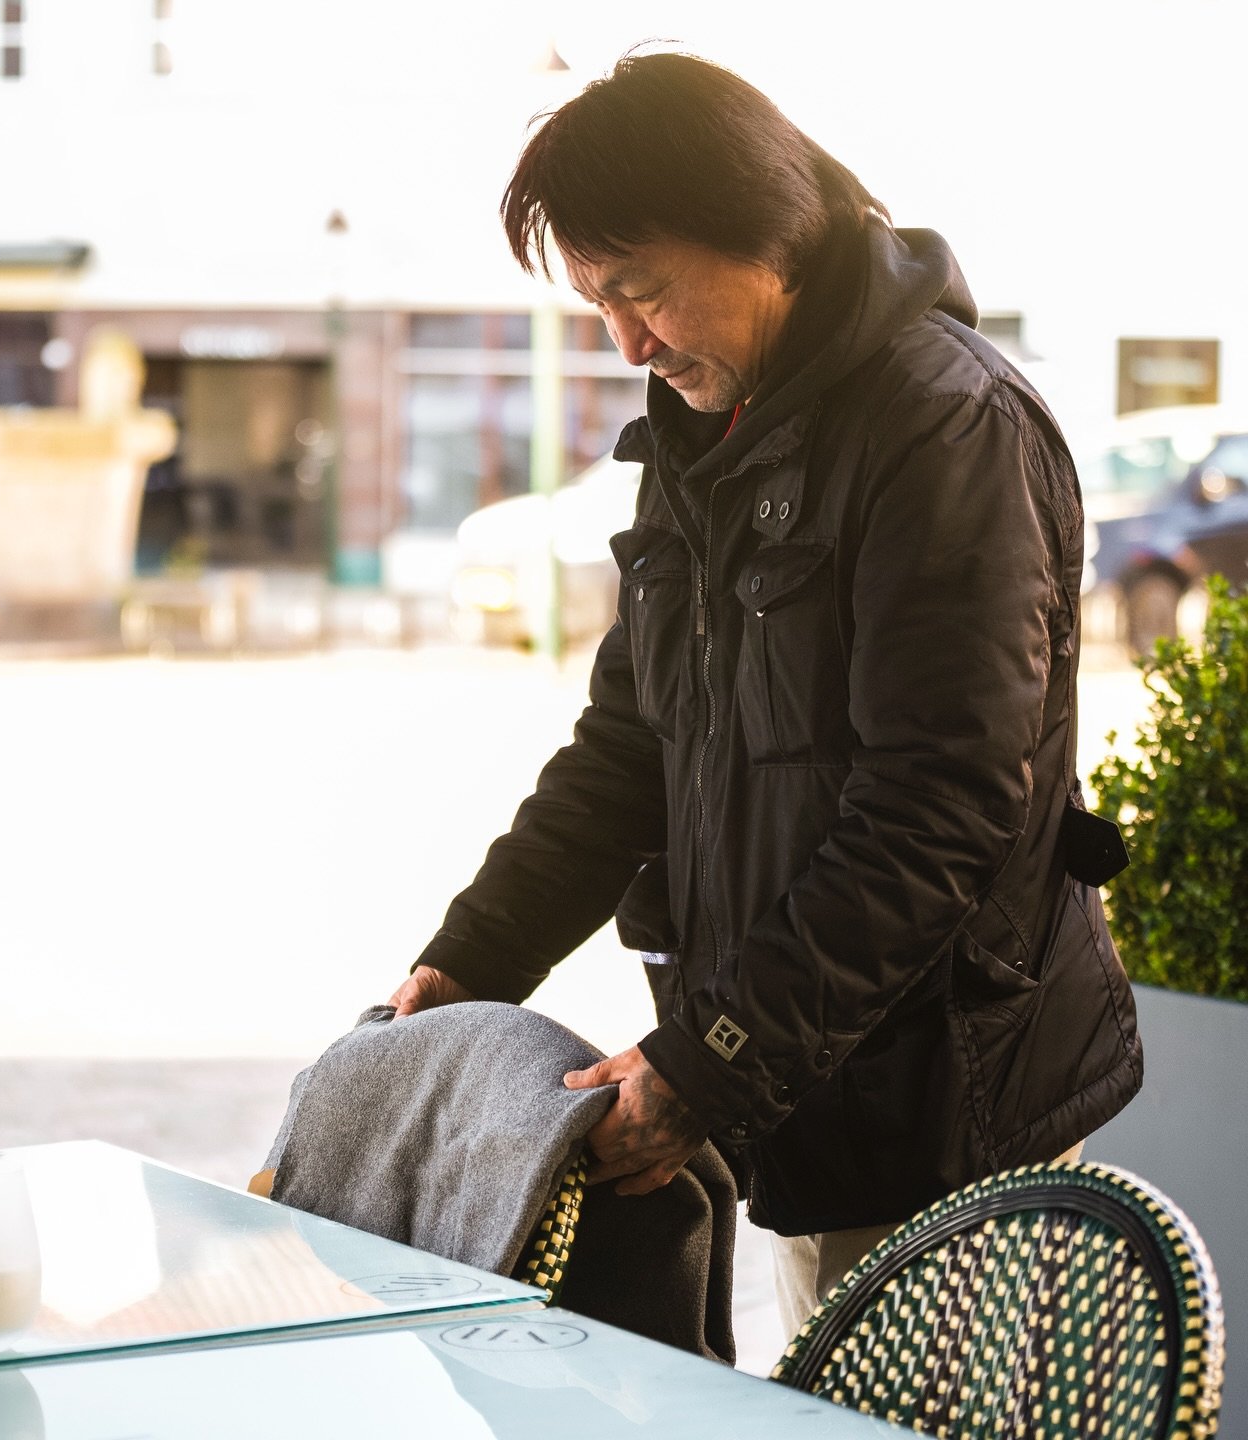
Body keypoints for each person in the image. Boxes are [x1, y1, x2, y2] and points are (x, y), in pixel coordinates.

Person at [388, 50, 1142, 1342]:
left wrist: (706, 1063)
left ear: (765, 232)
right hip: (805, 1078)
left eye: (643, 292)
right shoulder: (709, 432)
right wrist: (471, 962)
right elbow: (633, 745)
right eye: (598, 306)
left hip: (943, 1109)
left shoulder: (945, 424)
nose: (627, 343)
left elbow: (940, 805)